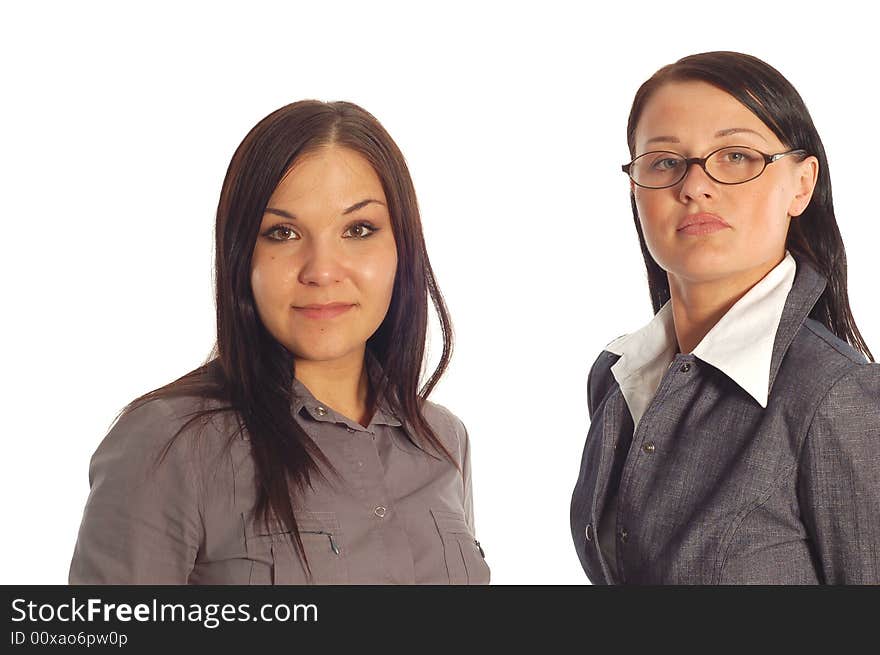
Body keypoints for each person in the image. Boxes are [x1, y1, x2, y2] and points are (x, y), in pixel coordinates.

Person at [69, 100, 489, 585]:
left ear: (402, 248)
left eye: (358, 229)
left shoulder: (443, 441)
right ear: (241, 255)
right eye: (283, 233)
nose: (322, 270)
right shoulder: (167, 447)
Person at [570, 52, 879, 584]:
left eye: (736, 156)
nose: (694, 187)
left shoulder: (836, 395)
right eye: (665, 162)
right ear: (635, 186)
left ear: (801, 185)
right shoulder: (618, 375)